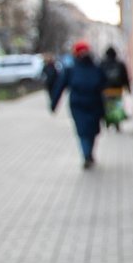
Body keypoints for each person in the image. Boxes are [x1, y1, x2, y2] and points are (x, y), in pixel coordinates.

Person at [48, 41, 107, 169]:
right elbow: (60, 87)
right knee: (86, 131)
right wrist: (54, 104)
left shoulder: (90, 68)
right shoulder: (75, 70)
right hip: (84, 105)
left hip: (87, 104)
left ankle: (88, 154)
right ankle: (87, 155)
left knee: (88, 131)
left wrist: (54, 105)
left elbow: (104, 84)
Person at [99, 46, 131, 131]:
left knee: (108, 107)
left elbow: (99, 77)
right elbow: (125, 77)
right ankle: (117, 122)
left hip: (106, 90)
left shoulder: (102, 64)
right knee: (117, 106)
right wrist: (128, 88)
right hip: (117, 90)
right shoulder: (120, 64)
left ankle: (109, 122)